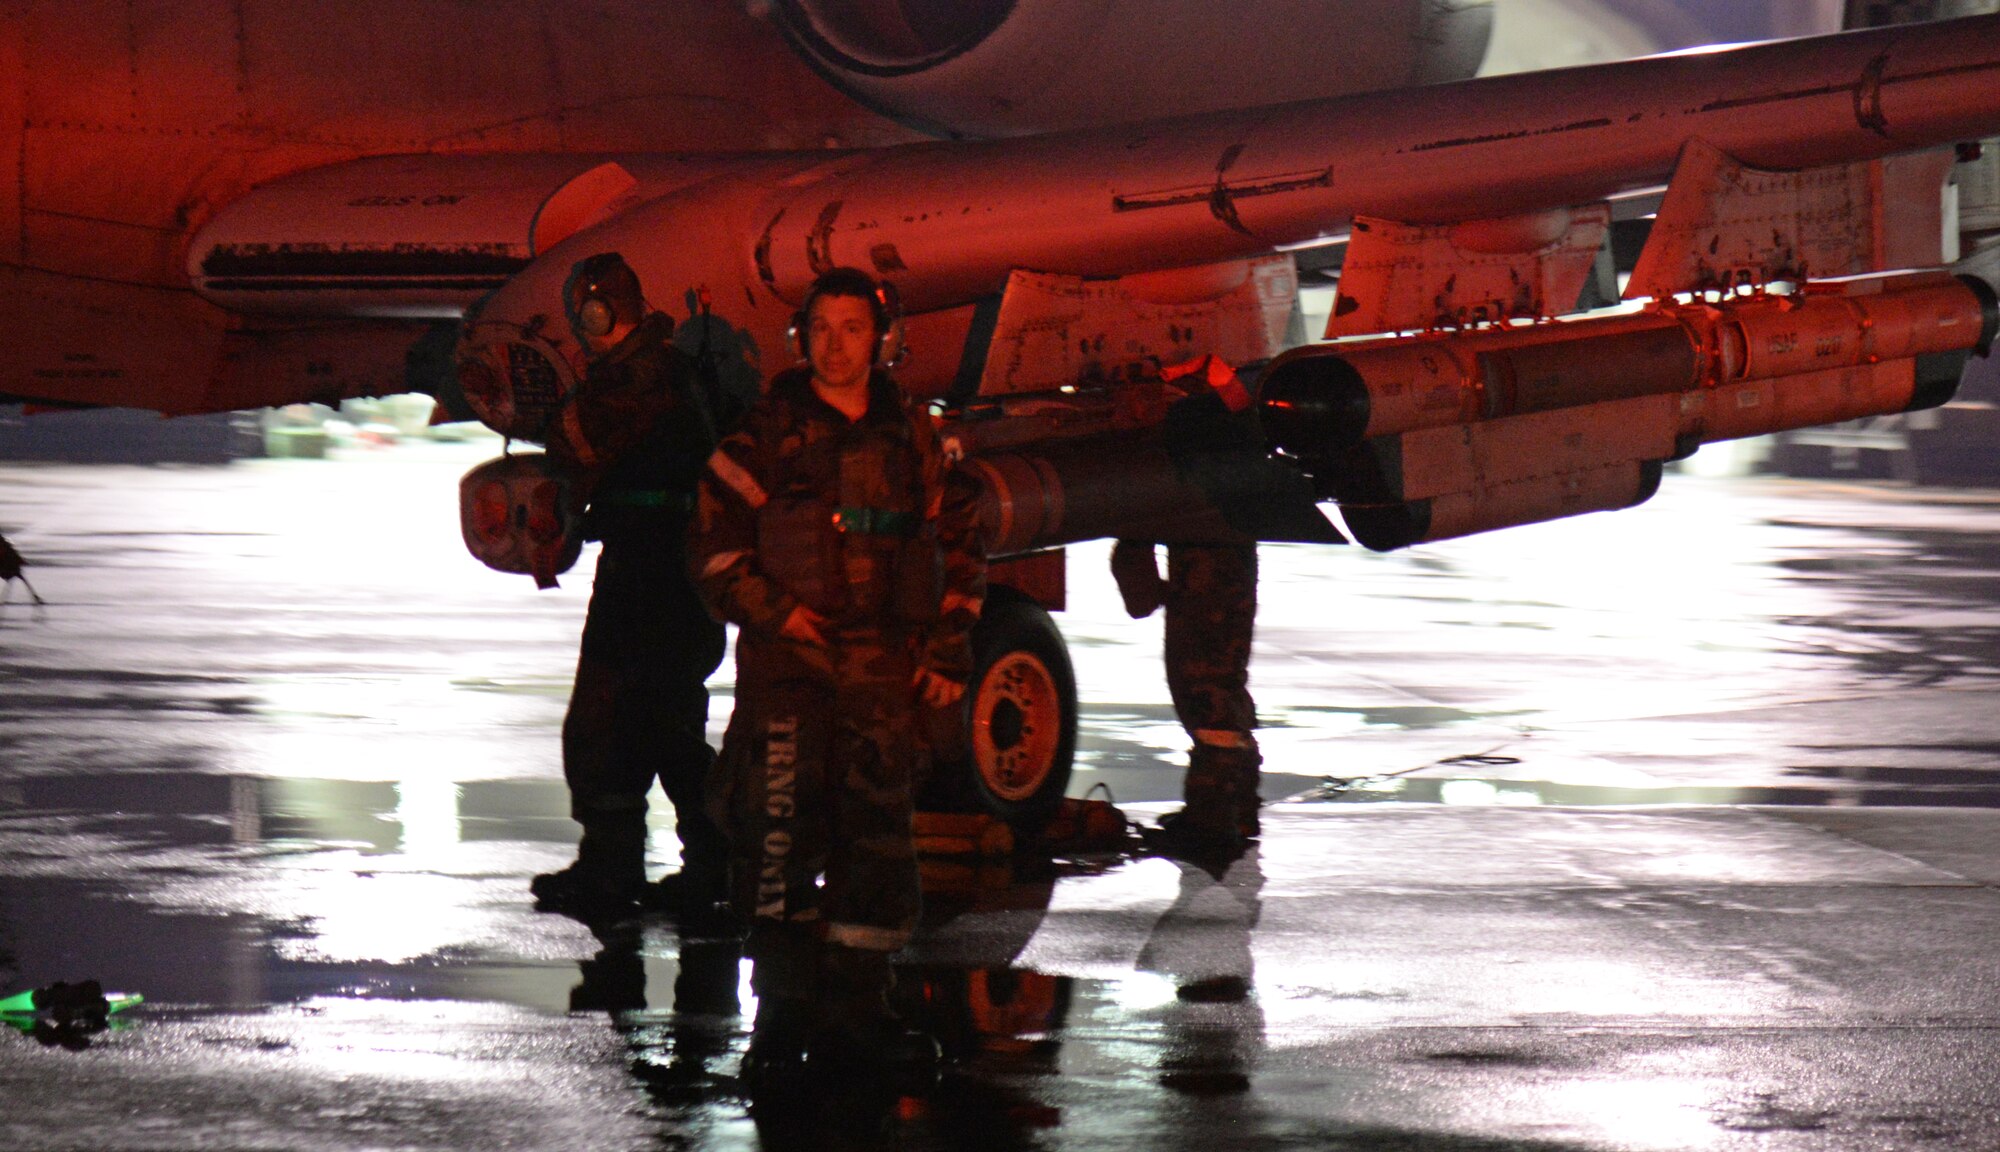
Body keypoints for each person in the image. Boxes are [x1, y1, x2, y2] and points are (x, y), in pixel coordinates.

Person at [689, 266, 985, 1081]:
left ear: (881, 339)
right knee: (776, 838)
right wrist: (777, 612)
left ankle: (864, 1011)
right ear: (802, 338)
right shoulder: (763, 435)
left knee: (878, 844)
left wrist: (950, 651)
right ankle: (780, 1013)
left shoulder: (916, 440)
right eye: (822, 328)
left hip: (884, 683)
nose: (836, 345)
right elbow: (712, 549)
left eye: (853, 328)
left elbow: (961, 548)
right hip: (788, 677)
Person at [529, 252, 741, 922]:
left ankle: (703, 866)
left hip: (662, 576)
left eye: (587, 312)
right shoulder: (653, 368)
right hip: (650, 568)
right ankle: (626, 865)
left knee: (650, 727)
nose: (583, 326)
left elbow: (576, 441)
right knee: (624, 725)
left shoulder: (647, 373)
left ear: (605, 309)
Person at [1111, 354, 1264, 856]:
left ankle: (1212, 820)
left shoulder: (1190, 427)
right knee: (1220, 683)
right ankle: (1235, 812)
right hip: (1218, 564)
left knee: (1205, 685)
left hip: (1207, 574)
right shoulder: (1218, 420)